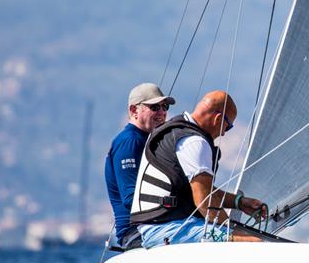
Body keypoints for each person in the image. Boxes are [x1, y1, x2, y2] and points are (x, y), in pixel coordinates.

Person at [130, 90, 266, 247]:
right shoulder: (194, 142)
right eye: (227, 127)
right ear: (218, 119)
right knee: (253, 243)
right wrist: (233, 232)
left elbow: (204, 191)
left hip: (160, 228)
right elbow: (205, 200)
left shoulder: (177, 131)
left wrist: (239, 202)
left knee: (245, 238)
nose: (222, 133)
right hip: (168, 231)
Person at [105, 82, 174, 248]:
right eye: (155, 107)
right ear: (134, 111)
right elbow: (130, 199)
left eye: (165, 107)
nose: (162, 112)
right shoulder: (129, 142)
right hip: (135, 233)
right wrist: (174, 202)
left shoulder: (148, 140)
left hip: (154, 227)